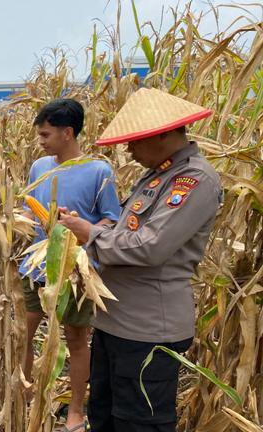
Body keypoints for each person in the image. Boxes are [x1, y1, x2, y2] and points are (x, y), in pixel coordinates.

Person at [59, 88, 222, 431]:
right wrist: (88, 229)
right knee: (104, 416)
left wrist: (91, 234)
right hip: (114, 323)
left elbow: (151, 246)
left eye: (135, 142)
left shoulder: (193, 180)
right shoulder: (155, 176)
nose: (129, 151)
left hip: (146, 331)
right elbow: (125, 230)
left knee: (139, 423)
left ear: (163, 133)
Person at [19, 99, 120, 431]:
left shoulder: (98, 170)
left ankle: (76, 410)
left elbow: (110, 220)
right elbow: (30, 213)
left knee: (76, 338)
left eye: (46, 134)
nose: (42, 141)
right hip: (36, 264)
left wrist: (80, 228)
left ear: (67, 132)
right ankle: (26, 393)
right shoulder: (39, 167)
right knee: (26, 331)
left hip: (76, 269)